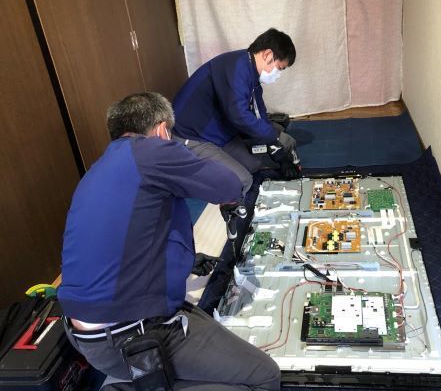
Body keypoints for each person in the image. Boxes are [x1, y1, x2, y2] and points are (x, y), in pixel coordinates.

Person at [58, 93, 281, 390]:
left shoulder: (99, 169)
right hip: (132, 338)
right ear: (163, 130)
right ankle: (139, 384)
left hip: (85, 335)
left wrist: (187, 259)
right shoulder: (152, 150)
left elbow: (132, 235)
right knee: (265, 376)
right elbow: (230, 184)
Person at [172, 28, 301, 199]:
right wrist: (273, 140)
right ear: (268, 55)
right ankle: (188, 171)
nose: (277, 75)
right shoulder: (236, 68)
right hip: (193, 136)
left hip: (219, 133)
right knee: (242, 181)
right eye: (279, 68)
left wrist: (274, 144)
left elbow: (259, 113)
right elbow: (239, 116)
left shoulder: (250, 70)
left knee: (253, 165)